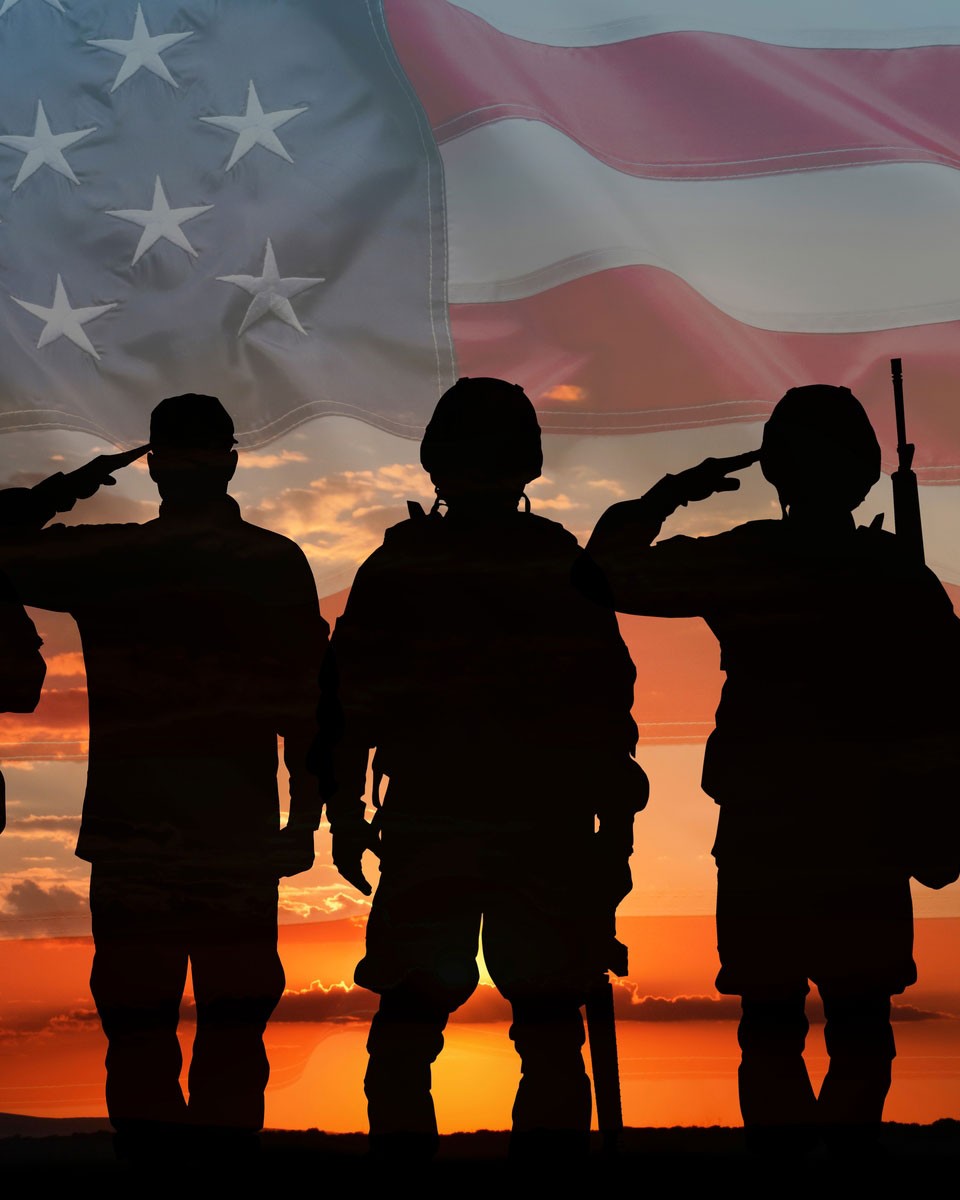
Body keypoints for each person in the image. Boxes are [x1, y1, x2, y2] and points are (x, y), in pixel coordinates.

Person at [575, 384, 960, 1155]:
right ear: (864, 475)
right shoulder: (896, 577)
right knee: (860, 1027)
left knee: (771, 1025)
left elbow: (605, 574)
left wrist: (669, 494)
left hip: (769, 832)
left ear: (778, 472)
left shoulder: (747, 560)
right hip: (863, 831)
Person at [313, 377, 647, 1159]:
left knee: (411, 1030)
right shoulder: (560, 566)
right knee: (544, 1029)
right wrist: (615, 841)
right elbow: (611, 712)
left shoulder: (402, 567)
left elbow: (346, 701)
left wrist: (345, 814)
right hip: (540, 828)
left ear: (437, 464)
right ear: (526, 463)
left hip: (441, 824)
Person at [0, 396, 327, 1157]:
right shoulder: (272, 562)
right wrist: (306, 819)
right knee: (232, 1037)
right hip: (235, 842)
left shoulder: (112, 560)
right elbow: (308, 707)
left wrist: (69, 487)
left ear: (153, 467)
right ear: (232, 461)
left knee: (142, 1036)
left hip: (133, 841)